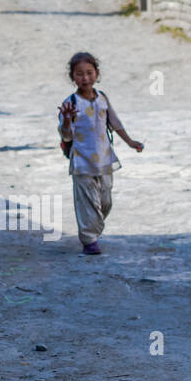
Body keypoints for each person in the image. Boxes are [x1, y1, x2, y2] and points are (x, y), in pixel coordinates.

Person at [57, 52, 143, 255]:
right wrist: (67, 120)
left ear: (97, 74)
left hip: (104, 160)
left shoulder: (102, 98)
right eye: (79, 74)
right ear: (72, 77)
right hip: (82, 162)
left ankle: (93, 228)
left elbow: (114, 122)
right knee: (87, 202)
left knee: (105, 201)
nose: (85, 78)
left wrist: (130, 142)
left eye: (89, 73)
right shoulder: (71, 104)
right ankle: (89, 240)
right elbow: (66, 136)